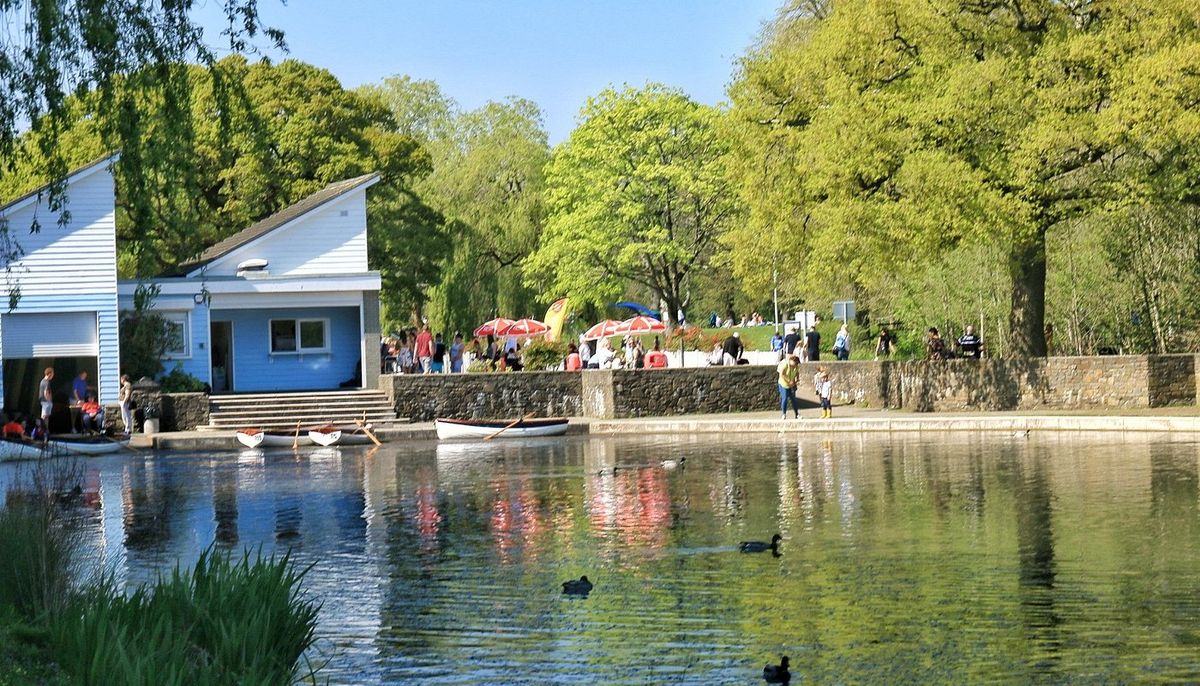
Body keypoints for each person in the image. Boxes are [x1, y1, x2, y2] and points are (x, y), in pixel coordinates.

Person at [777, 354, 802, 419]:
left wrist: (797, 379)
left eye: (797, 364)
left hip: (791, 385)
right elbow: (782, 374)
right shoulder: (785, 365)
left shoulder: (796, 367)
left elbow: (797, 373)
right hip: (783, 384)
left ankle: (797, 414)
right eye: (795, 363)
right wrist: (789, 381)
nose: (796, 365)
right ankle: (784, 414)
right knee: (784, 398)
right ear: (791, 361)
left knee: (793, 399)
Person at [38, 367, 54, 433]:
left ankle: (46, 430)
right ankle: (42, 430)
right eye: (52, 374)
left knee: (46, 416)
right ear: (49, 374)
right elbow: (46, 392)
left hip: (44, 401)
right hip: (45, 402)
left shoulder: (43, 381)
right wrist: (49, 400)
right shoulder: (46, 382)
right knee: (44, 416)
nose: (53, 376)